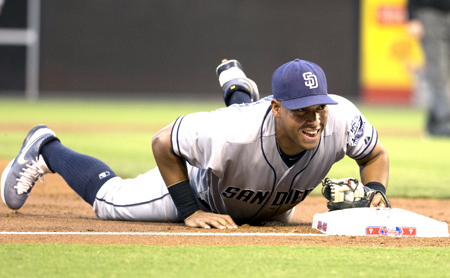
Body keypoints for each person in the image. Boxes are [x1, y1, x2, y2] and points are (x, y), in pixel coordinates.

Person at [1, 58, 389, 229]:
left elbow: (374, 154)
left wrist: (374, 190)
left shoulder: (341, 117)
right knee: (109, 202)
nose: (314, 118)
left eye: (318, 107)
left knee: (244, 138)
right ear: (276, 106)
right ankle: (46, 146)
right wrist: (188, 209)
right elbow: (162, 142)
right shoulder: (230, 132)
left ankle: (239, 91)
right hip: (201, 187)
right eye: (301, 110)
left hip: (265, 201)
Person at [407, 0, 450, 136]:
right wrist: (412, 16)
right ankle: (444, 122)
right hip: (430, 12)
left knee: (444, 71)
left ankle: (434, 122)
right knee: (438, 70)